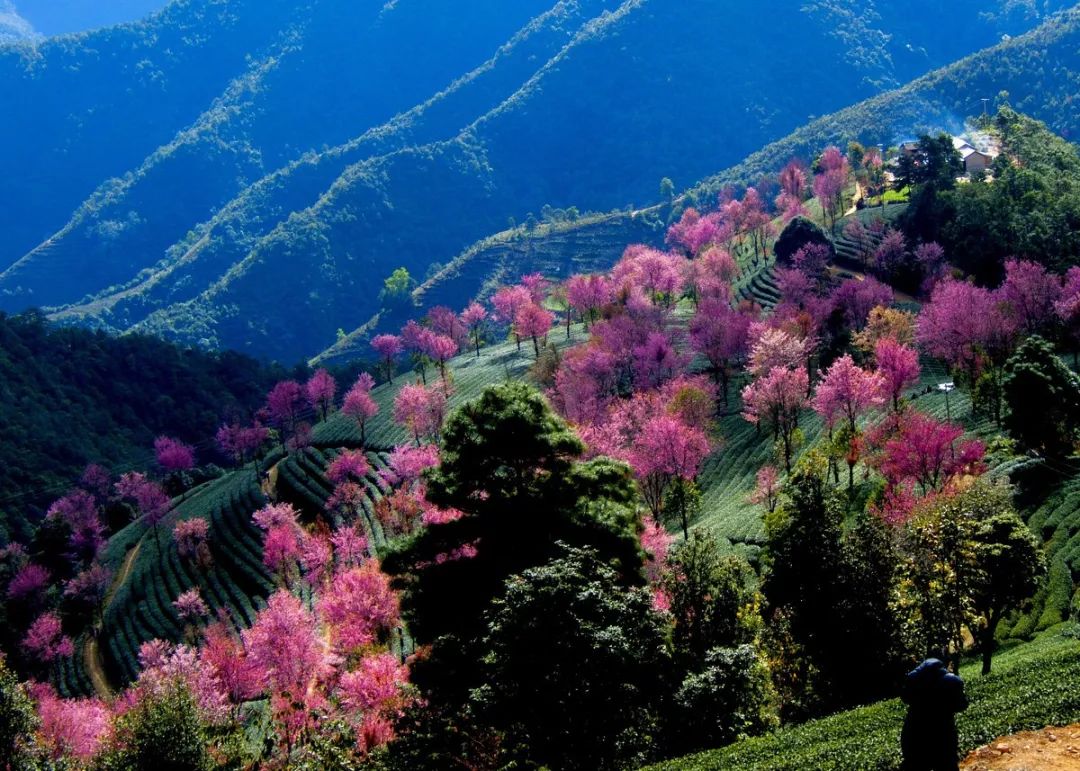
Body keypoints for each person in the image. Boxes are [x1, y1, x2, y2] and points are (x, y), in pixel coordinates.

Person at [900, 658, 968, 770]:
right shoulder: (950, 682)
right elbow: (962, 705)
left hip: (912, 738)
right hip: (941, 738)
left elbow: (905, 698)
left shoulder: (915, 683)